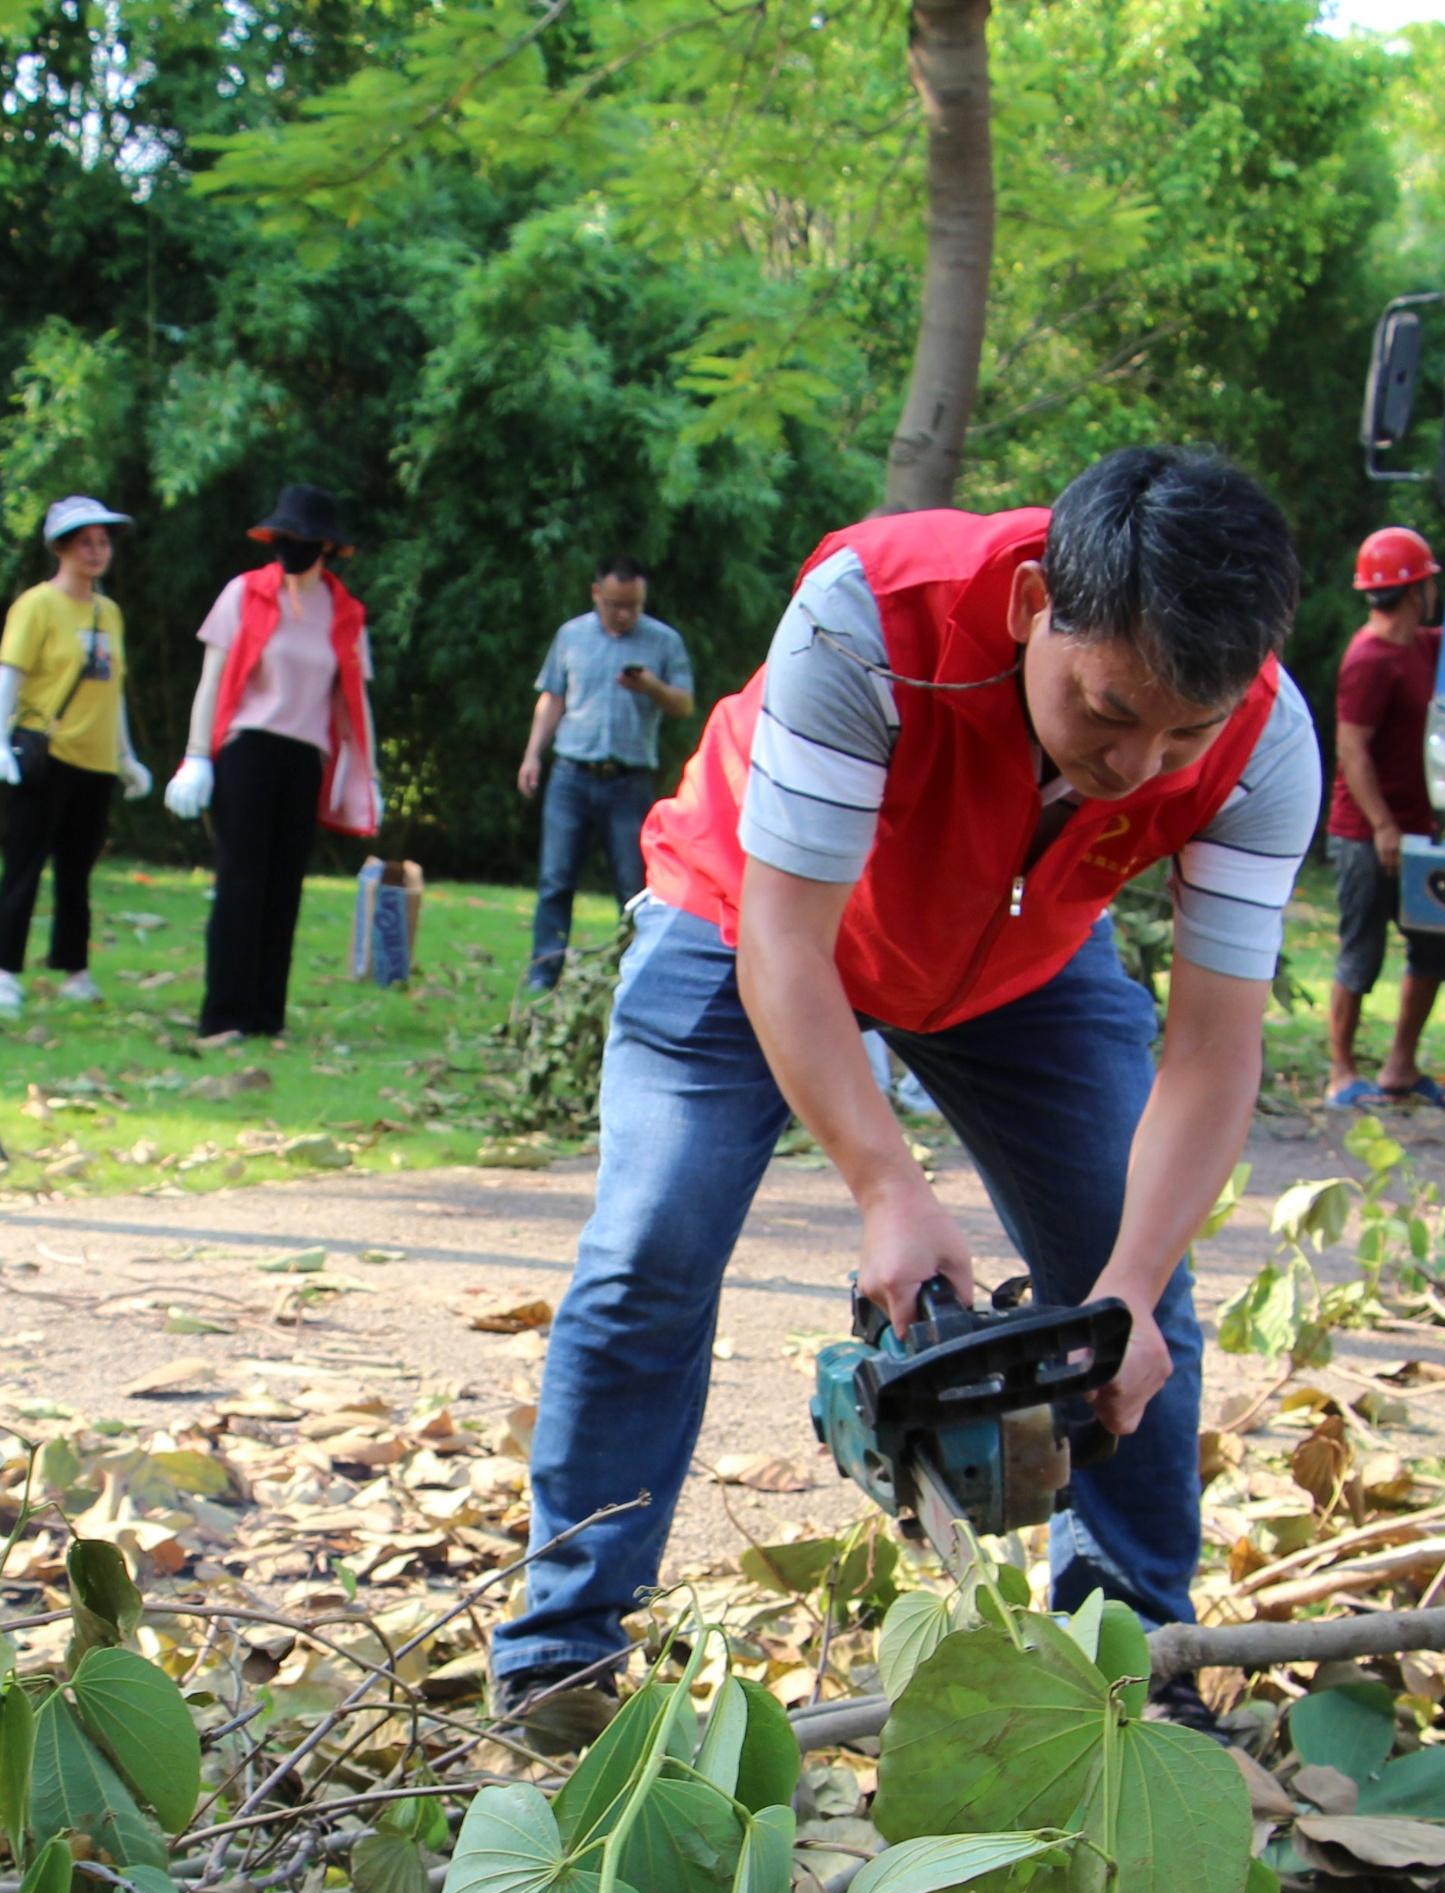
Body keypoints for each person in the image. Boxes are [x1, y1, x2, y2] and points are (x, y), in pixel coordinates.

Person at [489, 447, 1321, 1741]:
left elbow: (1214, 1046)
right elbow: (785, 947)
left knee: (1134, 1282)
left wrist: (1135, 1285)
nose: (1141, 763)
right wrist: (888, 1186)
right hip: (744, 920)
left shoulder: (1267, 741)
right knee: (650, 1244)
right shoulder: (873, 613)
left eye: (1182, 732)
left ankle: (1130, 1644)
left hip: (1020, 962)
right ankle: (561, 1650)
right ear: (1037, 599)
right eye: (1107, 711)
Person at [162, 482, 379, 1040]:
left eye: (302, 538)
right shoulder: (245, 594)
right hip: (248, 750)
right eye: (283, 537)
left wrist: (367, 777)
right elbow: (212, 679)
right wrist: (196, 757)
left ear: (327, 546)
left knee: (284, 887)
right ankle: (224, 1015)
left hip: (305, 759)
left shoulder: (345, 613)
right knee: (241, 881)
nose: (290, 547)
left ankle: (265, 1017)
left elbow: (354, 702)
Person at [0, 494, 154, 1018]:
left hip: (95, 762)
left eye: (102, 543)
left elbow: (112, 691)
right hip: (47, 753)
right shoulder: (37, 605)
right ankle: (4, 971)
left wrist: (127, 757)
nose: (96, 552)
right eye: (85, 543)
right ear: (61, 549)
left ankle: (74, 968)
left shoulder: (109, 613)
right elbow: (8, 676)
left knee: (77, 873)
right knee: (24, 865)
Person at [1322, 524, 1445, 1109]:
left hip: (1420, 831)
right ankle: (1341, 1073)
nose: (1434, 593)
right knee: (1362, 950)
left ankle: (1400, 1066)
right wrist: (1382, 826)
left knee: (1433, 950)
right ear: (1413, 591)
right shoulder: (1368, 659)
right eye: (1427, 583)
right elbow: (1351, 748)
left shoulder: (1421, 647)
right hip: (1366, 834)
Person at [517, 558, 695, 992]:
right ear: (596, 592)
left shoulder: (663, 641)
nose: (624, 614)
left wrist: (652, 687)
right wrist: (531, 756)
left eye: (633, 605)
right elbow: (553, 699)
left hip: (628, 780)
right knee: (555, 878)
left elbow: (685, 704)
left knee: (633, 884)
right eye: (615, 604)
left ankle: (632, 971)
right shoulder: (571, 636)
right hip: (571, 774)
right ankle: (545, 970)